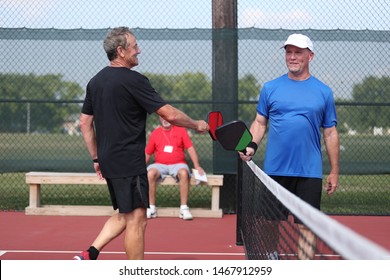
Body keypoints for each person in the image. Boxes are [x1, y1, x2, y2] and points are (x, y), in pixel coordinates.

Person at [75, 27, 209, 260]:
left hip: (109, 160)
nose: (139, 50)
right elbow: (169, 114)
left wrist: (96, 157)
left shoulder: (95, 81)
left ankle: (90, 253)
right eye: (134, 46)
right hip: (129, 161)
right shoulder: (135, 80)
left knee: (126, 214)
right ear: (120, 51)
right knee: (137, 219)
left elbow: (85, 123)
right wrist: (196, 124)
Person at [239, 34, 339, 260]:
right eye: (289, 52)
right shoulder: (270, 88)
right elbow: (259, 122)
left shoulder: (324, 92)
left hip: (309, 171)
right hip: (274, 170)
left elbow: (330, 132)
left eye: (298, 52)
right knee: (269, 221)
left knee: (307, 225)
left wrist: (334, 170)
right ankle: (272, 256)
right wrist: (251, 145)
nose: (292, 57)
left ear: (310, 56)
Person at [145, 116, 205, 220]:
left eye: (166, 118)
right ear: (159, 119)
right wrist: (139, 168)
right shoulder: (155, 133)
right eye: (162, 118)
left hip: (178, 164)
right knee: (150, 173)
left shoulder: (181, 130)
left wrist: (197, 166)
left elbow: (190, 149)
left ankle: (184, 208)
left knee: (184, 173)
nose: (165, 120)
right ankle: (151, 207)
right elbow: (147, 153)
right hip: (160, 165)